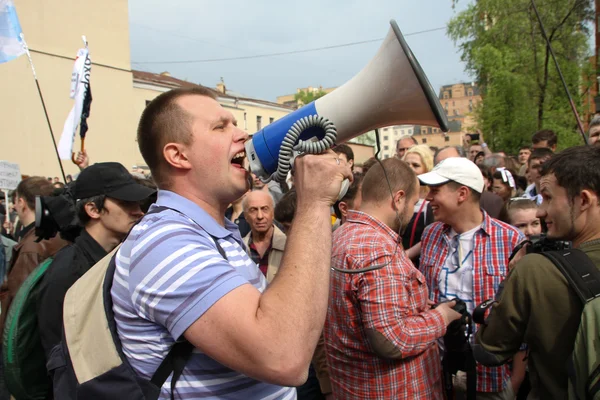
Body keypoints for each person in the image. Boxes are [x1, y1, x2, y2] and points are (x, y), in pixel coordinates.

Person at [110, 87, 352, 399]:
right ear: (178, 155)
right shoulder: (166, 242)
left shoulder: (211, 233)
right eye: (221, 126)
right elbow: (284, 356)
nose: (243, 134)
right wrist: (315, 201)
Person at [325, 157, 461, 399]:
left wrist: (417, 309)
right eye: (413, 203)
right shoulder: (377, 249)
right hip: (392, 390)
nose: (412, 212)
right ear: (398, 199)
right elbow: (391, 339)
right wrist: (441, 317)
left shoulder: (341, 234)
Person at [474, 145, 600, 399]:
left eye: (549, 197)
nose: (541, 212)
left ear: (583, 200)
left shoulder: (535, 269)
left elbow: (489, 349)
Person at [418, 157, 524, 399]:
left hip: (492, 377)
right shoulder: (431, 234)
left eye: (435, 190)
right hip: (438, 373)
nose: (427, 198)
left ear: (462, 193)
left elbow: (521, 314)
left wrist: (515, 380)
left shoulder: (510, 239)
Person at [36, 162, 154, 359]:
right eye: (126, 203)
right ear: (93, 209)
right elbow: (59, 353)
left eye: (138, 204)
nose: (138, 211)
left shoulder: (120, 258)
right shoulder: (69, 272)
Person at [401, 145, 435, 267]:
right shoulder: (396, 197)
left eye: (415, 165)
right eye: (406, 165)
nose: (410, 169)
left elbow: (431, 237)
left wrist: (406, 255)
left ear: (427, 169)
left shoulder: (431, 202)